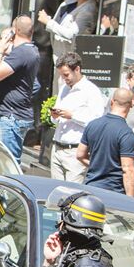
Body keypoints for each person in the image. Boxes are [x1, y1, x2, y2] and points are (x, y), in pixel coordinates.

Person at [0, 15, 40, 162]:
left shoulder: (22, 52)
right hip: (4, 113)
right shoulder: (28, 50)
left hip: (10, 117)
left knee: (7, 164)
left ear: (15, 30)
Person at [46, 52, 106, 183]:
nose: (64, 78)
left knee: (71, 193)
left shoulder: (91, 91)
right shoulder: (64, 89)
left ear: (77, 69)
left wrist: (72, 116)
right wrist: (54, 116)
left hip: (75, 150)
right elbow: (56, 119)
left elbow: (96, 121)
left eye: (66, 75)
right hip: (57, 146)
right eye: (62, 75)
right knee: (54, 191)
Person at [78, 88, 134, 196]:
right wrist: (131, 201)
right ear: (130, 106)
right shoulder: (126, 133)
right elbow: (128, 169)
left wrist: (97, 166)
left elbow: (80, 155)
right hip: (113, 192)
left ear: (112, 102)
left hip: (90, 188)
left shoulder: (92, 125)